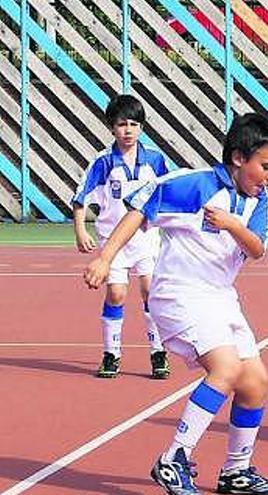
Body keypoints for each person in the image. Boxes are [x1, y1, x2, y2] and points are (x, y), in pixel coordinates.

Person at [83, 113, 268, 495]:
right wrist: (105, 257)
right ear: (240, 157)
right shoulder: (194, 184)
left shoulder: (256, 203)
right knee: (225, 368)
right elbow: (138, 211)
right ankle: (173, 458)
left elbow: (257, 249)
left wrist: (231, 224)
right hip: (179, 292)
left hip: (221, 296)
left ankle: (235, 471)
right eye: (267, 166)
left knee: (255, 382)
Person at [71, 94, 171, 379]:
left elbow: (169, 192)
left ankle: (158, 352)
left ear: (142, 128)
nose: (128, 130)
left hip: (147, 239)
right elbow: (81, 198)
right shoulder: (103, 162)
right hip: (111, 242)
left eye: (134, 124)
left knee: (151, 291)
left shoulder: (155, 159)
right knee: (116, 293)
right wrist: (80, 230)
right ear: (111, 127)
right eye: (121, 124)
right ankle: (111, 353)